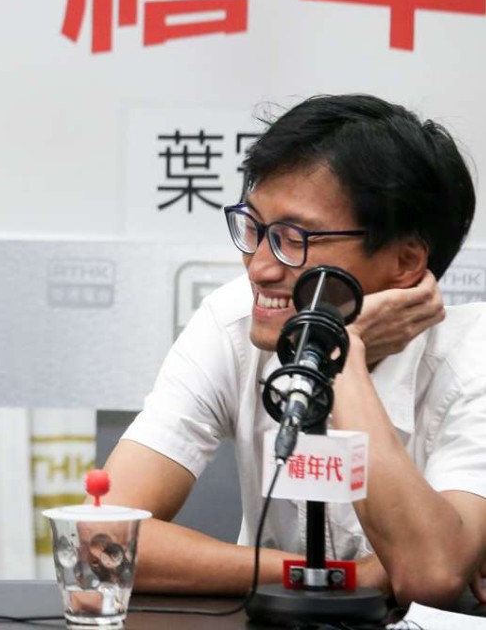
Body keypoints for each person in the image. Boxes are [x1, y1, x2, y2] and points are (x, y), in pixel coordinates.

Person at [103, 94, 486, 608]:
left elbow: (428, 574)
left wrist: (341, 351)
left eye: (293, 238)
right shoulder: (234, 321)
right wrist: (343, 576)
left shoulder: (471, 358)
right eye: (254, 229)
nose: (259, 267)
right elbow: (106, 538)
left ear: (405, 260)